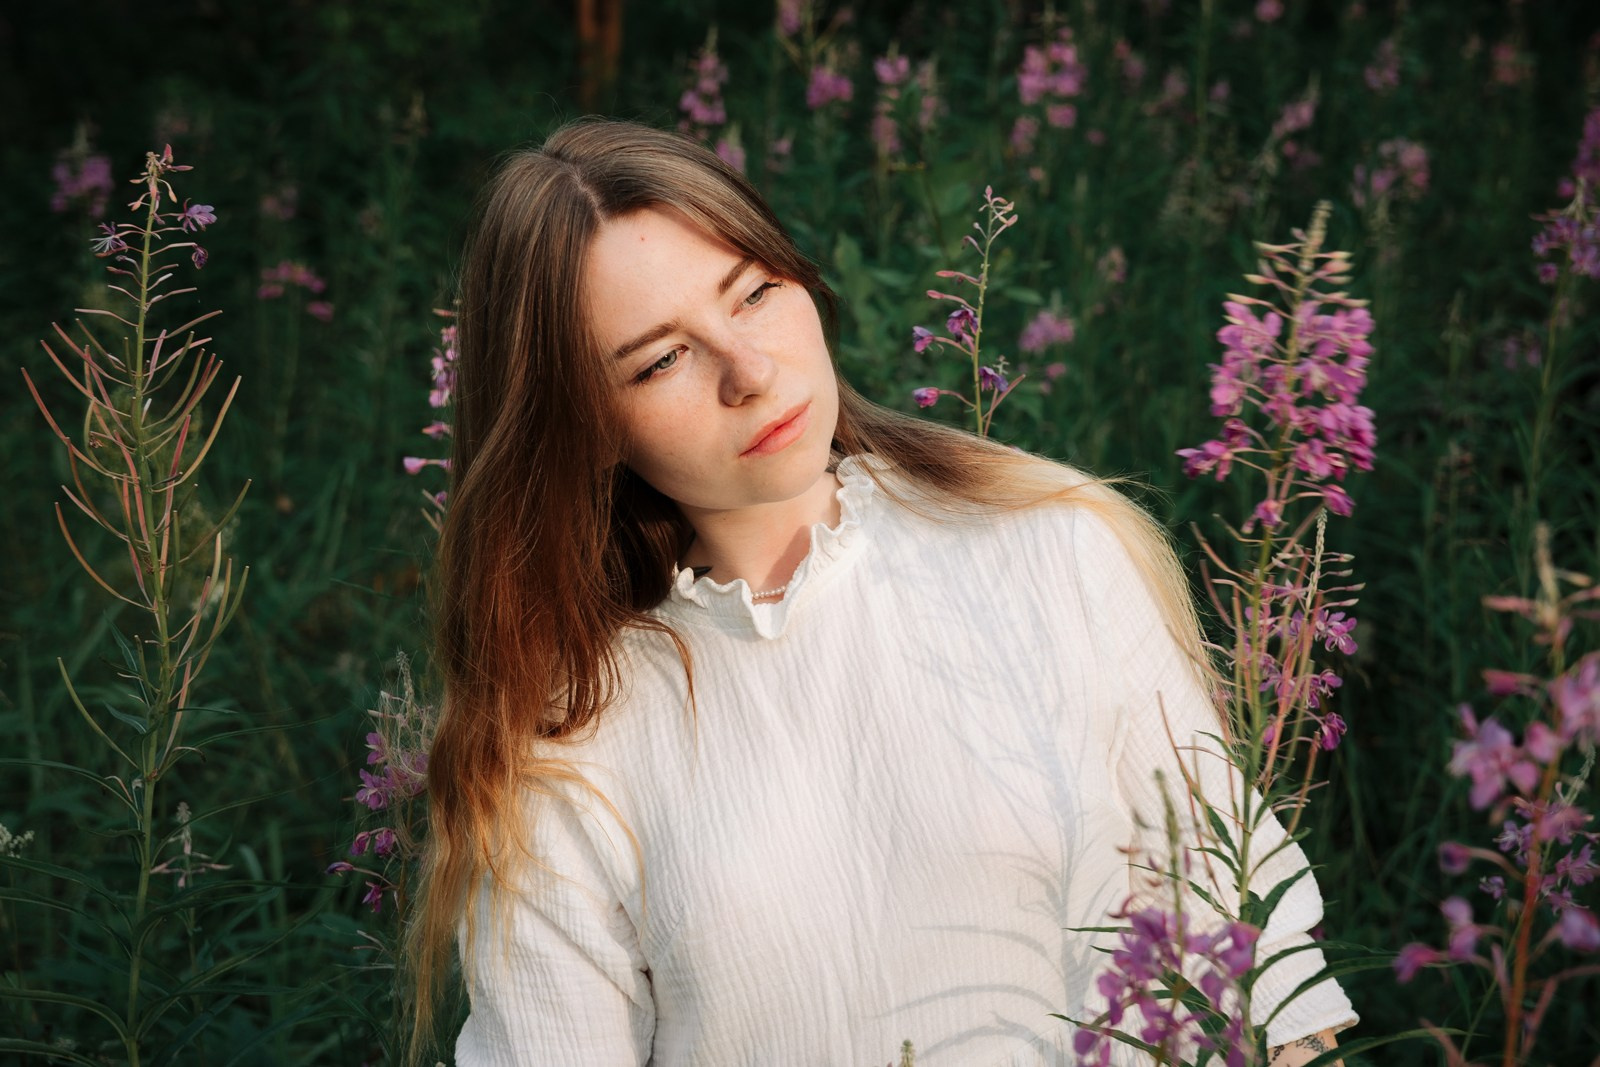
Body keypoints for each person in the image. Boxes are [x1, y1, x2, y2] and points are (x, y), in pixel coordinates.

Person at [407, 118, 1359, 1066]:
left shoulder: (1054, 550)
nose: (750, 371)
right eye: (661, 360)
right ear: (582, 425)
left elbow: (1263, 984)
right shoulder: (564, 736)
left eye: (755, 293)